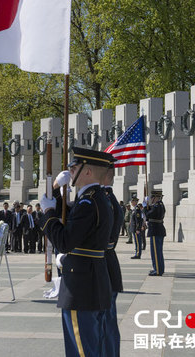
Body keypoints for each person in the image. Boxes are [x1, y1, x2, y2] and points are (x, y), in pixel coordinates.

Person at [40, 147, 115, 357]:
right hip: (91, 279)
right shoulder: (95, 198)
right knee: (92, 345)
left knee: (81, 349)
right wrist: (54, 189)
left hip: (80, 284)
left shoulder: (88, 202)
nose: (70, 171)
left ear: (88, 172)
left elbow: (64, 241)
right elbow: (67, 212)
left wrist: (47, 214)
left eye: (74, 168)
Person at [102, 165, 124, 357]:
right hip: (108, 264)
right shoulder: (109, 198)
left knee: (105, 323)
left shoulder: (104, 200)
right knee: (108, 322)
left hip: (104, 266)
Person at [145, 191, 166, 276]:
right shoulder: (160, 205)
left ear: (156, 197)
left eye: (152, 198)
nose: (151, 200)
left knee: (156, 252)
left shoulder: (157, 206)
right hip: (158, 230)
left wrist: (145, 209)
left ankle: (157, 270)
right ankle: (159, 269)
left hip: (155, 230)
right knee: (158, 251)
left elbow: (149, 215)